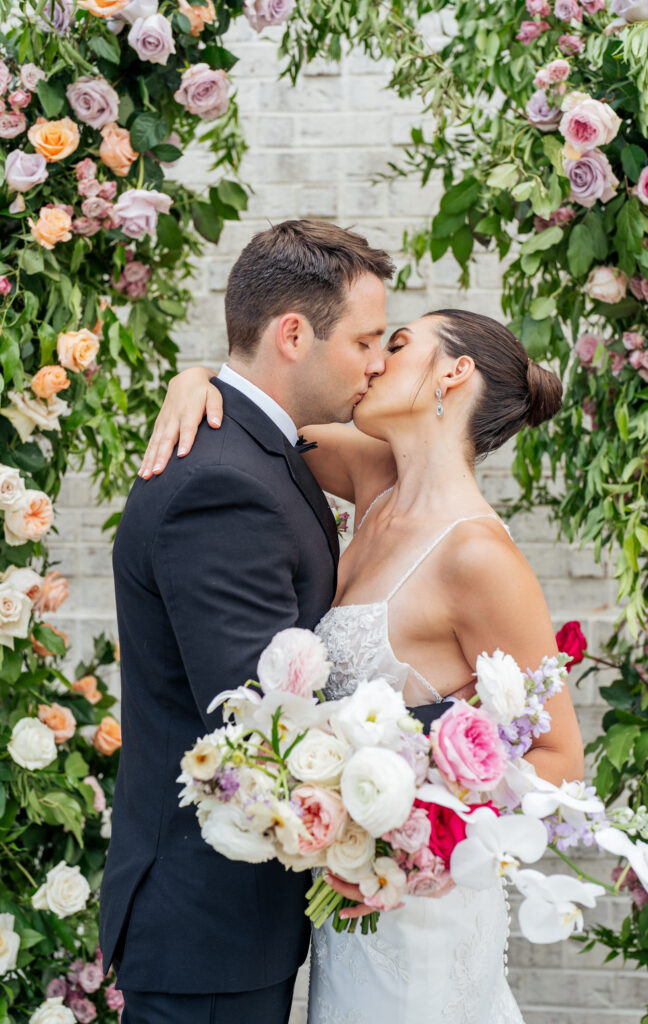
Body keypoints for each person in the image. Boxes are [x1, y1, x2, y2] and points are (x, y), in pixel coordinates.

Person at [141, 306, 584, 1023]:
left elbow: (562, 755)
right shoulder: (373, 478)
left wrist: (416, 847)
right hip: (344, 912)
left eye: (398, 344)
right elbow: (259, 415)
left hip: (418, 911)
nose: (374, 361)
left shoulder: (478, 557)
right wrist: (193, 380)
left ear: (454, 372)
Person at [100, 219, 427, 1024]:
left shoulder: (262, 447)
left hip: (232, 925)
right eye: (364, 341)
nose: (377, 362)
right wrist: (454, 727)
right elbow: (262, 724)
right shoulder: (223, 482)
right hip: (208, 930)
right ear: (291, 334)